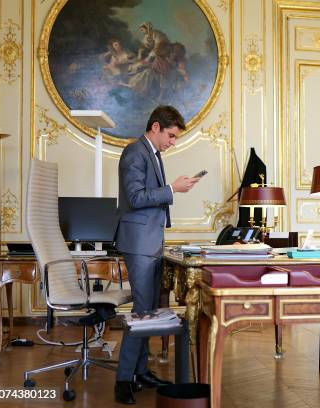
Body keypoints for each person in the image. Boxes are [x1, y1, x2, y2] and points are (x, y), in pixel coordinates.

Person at [114, 106, 200, 404]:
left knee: (149, 309)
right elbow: (136, 198)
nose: (173, 142)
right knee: (142, 311)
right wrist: (172, 189)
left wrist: (172, 189)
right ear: (155, 127)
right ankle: (124, 380)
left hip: (150, 240)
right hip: (138, 242)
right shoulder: (134, 152)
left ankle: (140, 372)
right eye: (171, 136)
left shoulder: (152, 153)